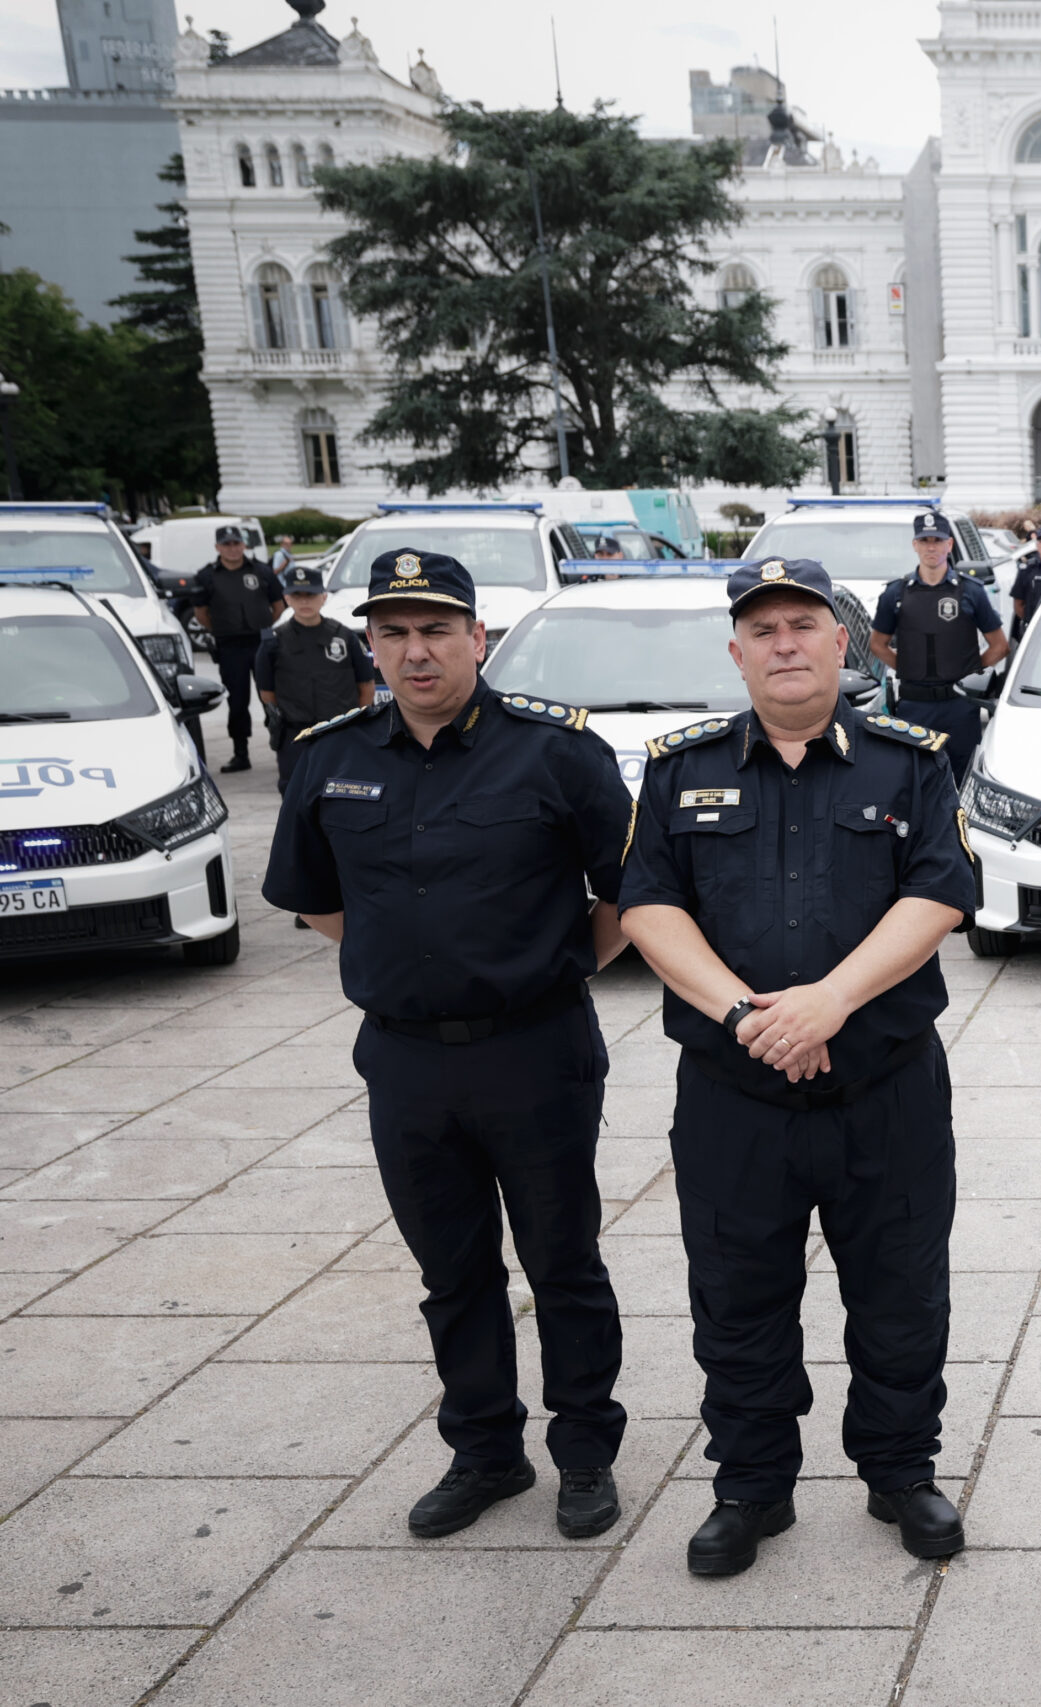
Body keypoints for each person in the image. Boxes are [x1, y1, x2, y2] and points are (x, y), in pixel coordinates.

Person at [262, 548, 636, 1544]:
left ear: (479, 638)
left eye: (436, 630)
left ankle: (586, 1454)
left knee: (563, 1263)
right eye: (394, 632)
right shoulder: (329, 758)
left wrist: (552, 968)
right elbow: (318, 904)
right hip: (406, 1062)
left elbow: (630, 896)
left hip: (537, 1051)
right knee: (452, 1270)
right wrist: (408, 977)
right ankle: (485, 1452)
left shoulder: (558, 754)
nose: (415, 650)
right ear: (370, 648)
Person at [619, 557, 978, 1578]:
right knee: (737, 1297)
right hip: (735, 1097)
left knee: (902, 1294)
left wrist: (831, 1001)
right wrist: (746, 1014)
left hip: (885, 1087)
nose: (783, 643)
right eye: (762, 628)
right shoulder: (679, 767)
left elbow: (941, 893)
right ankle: (751, 1486)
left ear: (841, 643)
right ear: (736, 651)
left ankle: (901, 1471)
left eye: (802, 625)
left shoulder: (908, 760)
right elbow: (647, 904)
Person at [870, 511, 1008, 781]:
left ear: (949, 545)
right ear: (915, 545)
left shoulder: (970, 591)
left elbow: (1000, 646)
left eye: (937, 540)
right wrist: (910, 667)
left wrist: (969, 672)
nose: (931, 547)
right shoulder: (896, 593)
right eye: (924, 541)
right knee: (914, 782)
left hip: (960, 705)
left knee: (962, 783)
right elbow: (877, 644)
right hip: (914, 705)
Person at [255, 561, 375, 792]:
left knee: (343, 790)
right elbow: (267, 693)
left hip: (340, 732)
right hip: (295, 735)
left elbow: (366, 686)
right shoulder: (273, 642)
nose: (304, 601)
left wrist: (355, 725)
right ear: (287, 599)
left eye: (310, 595)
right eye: (297, 595)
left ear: (323, 597)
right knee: (294, 792)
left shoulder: (344, 637)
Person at [180, 524, 285, 774]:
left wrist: (266, 628)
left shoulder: (261, 571)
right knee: (237, 702)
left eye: (236, 543)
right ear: (218, 547)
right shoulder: (206, 576)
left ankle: (283, 750)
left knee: (273, 698)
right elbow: (201, 613)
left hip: (262, 643)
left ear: (243, 545)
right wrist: (220, 631)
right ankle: (241, 753)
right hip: (230, 647)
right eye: (226, 544)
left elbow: (278, 605)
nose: (232, 549)